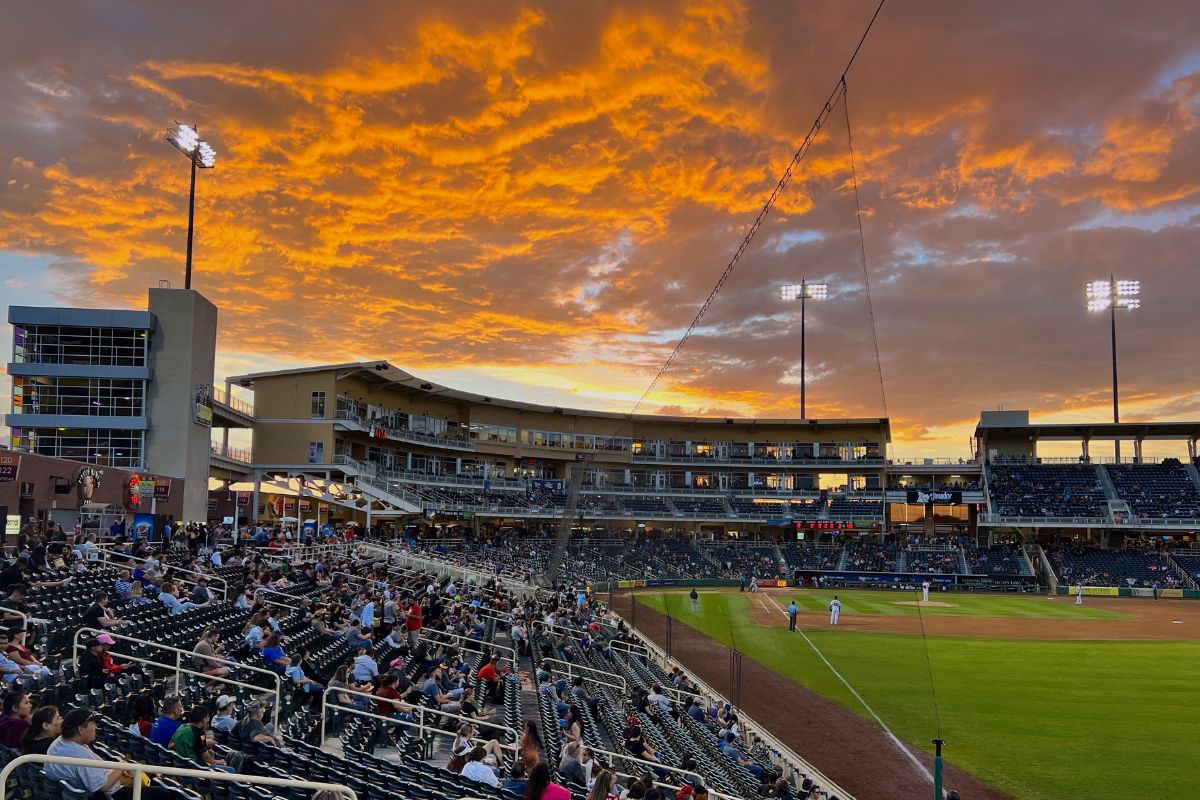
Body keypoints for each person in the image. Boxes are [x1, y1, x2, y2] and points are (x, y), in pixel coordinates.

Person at [45, 708, 172, 800]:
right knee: (162, 793)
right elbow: (103, 786)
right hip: (112, 794)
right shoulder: (77, 755)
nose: (96, 727)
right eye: (93, 724)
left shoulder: (59, 743)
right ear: (81, 729)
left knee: (152, 779)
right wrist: (121, 766)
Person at [170, 706, 233, 772]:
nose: (208, 719)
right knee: (231, 770)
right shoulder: (199, 733)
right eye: (207, 716)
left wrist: (205, 742)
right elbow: (206, 758)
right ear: (203, 719)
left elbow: (193, 743)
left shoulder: (182, 727)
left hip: (181, 768)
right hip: (193, 771)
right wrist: (220, 761)